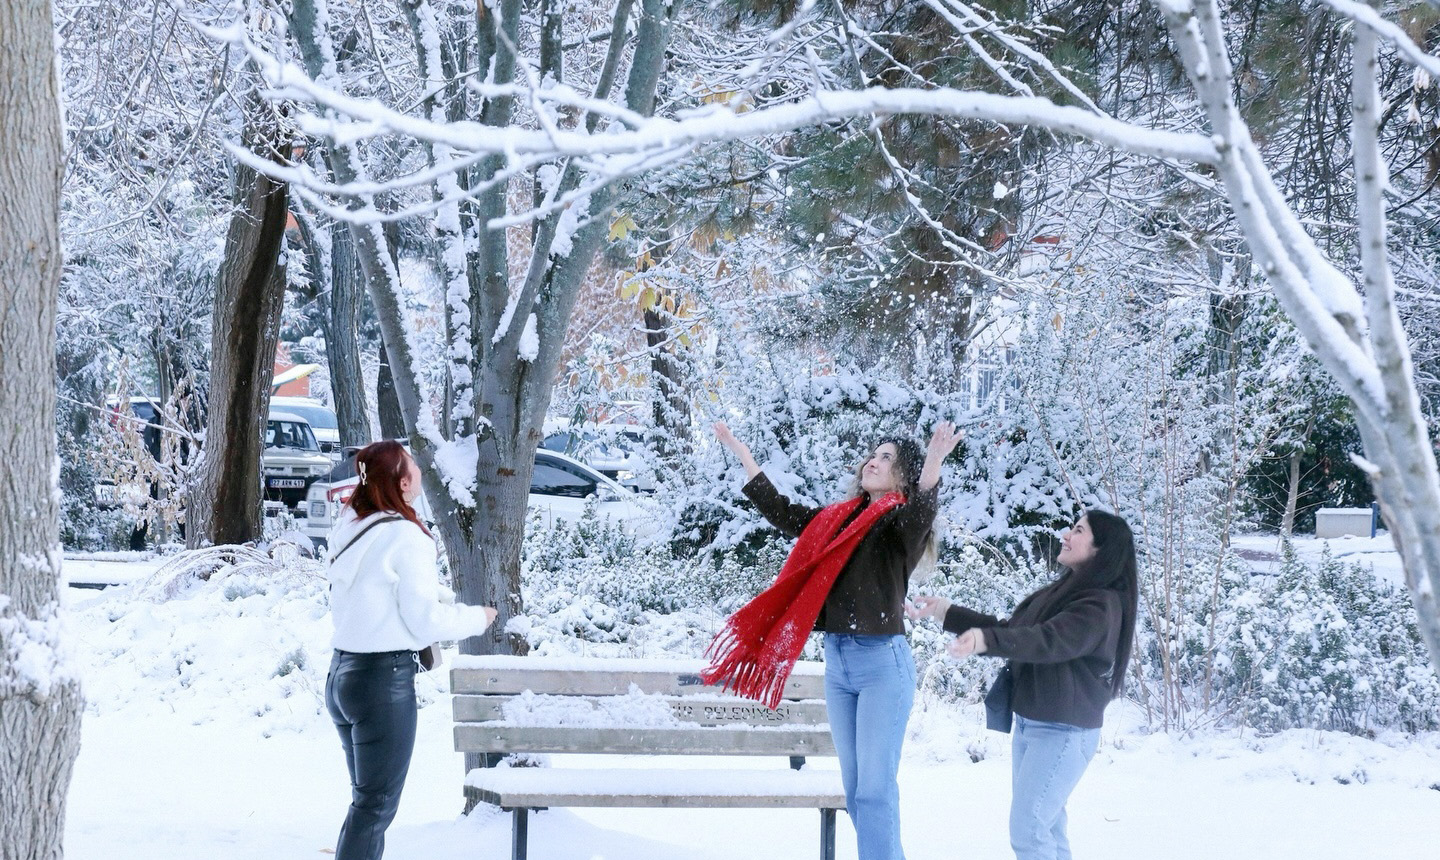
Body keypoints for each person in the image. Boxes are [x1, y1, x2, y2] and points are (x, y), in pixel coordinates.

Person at [705, 420, 961, 860]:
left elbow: (923, 510)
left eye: (887, 458)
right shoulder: (835, 522)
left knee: (876, 792)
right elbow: (782, 511)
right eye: (873, 454)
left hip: (883, 665)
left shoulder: (900, 527)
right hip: (839, 663)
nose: (873, 461)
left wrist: (935, 459)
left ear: (902, 476)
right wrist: (740, 451)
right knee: (857, 790)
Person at [907, 510, 1138, 860]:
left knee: (1029, 831)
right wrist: (947, 611)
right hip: (1036, 724)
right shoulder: (1069, 590)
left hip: (1063, 732)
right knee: (1046, 827)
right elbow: (1016, 630)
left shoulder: (1100, 605)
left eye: (1078, 531)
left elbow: (1047, 641)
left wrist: (986, 641)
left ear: (1100, 551)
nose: (1065, 535)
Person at [323, 440, 498, 860]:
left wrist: (436, 592)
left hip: (342, 678)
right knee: (375, 808)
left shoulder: (350, 524)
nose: (420, 470)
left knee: (367, 804)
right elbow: (424, 623)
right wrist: (476, 618)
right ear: (403, 482)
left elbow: (373, 587)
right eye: (414, 466)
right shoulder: (406, 536)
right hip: (382, 685)